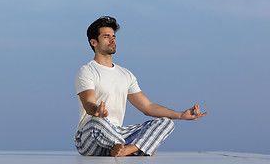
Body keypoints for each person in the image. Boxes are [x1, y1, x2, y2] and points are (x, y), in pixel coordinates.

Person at [74, 16, 208, 157]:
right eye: (106, 37)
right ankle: (137, 148)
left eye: (113, 36)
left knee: (166, 123)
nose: (112, 40)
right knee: (96, 122)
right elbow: (88, 102)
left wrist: (180, 115)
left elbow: (147, 107)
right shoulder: (87, 71)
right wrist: (97, 110)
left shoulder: (126, 74)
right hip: (91, 138)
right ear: (93, 42)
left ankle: (126, 150)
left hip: (118, 135)